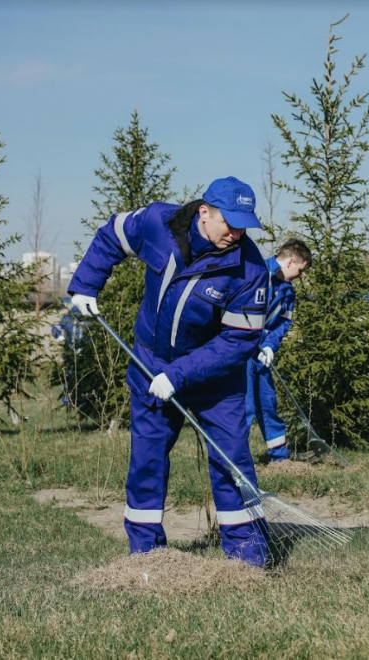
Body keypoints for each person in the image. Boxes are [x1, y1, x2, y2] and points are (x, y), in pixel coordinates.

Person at [68, 176, 271, 567]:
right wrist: (86, 286)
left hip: (215, 377)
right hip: (151, 362)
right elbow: (113, 233)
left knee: (231, 459)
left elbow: (238, 341)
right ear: (204, 212)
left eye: (244, 223)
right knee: (147, 459)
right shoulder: (158, 224)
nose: (237, 232)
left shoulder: (251, 271)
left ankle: (247, 556)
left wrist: (178, 376)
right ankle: (145, 553)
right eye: (230, 222)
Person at [245, 238, 312, 462]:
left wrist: (269, 346)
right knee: (245, 407)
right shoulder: (257, 274)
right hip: (241, 353)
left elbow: (283, 324)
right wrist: (255, 339)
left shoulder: (288, 292)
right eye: (300, 271)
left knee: (267, 402)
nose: (300, 276)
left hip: (261, 355)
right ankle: (234, 460)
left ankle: (279, 457)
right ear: (291, 261)